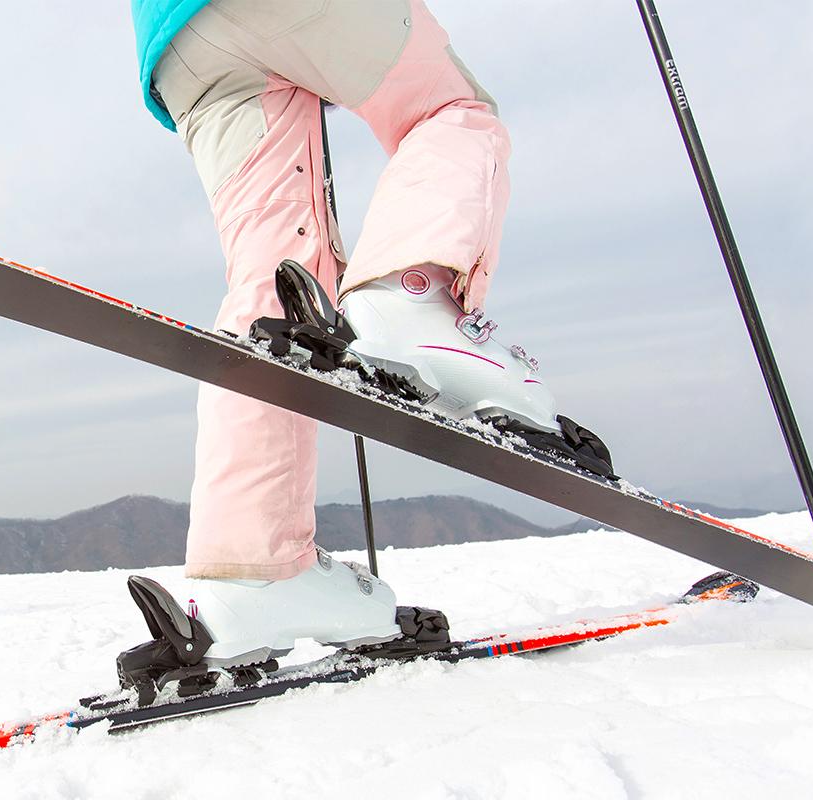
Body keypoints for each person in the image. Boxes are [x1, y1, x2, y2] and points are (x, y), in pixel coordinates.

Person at [130, 0, 555, 666]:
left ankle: (254, 573)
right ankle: (407, 303)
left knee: (280, 283)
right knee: (450, 112)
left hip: (176, 45)